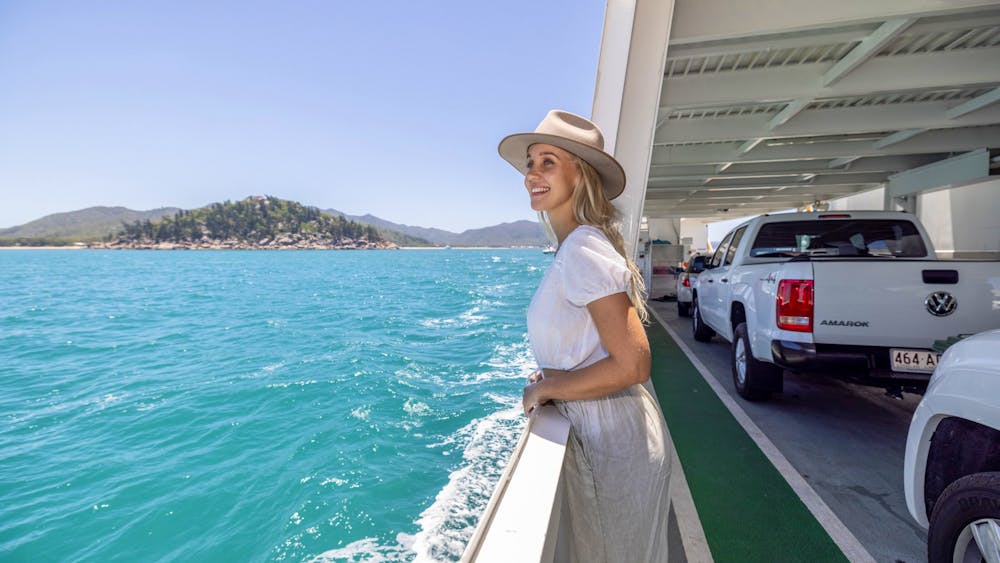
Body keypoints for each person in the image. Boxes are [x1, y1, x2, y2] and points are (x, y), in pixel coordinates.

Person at [498, 110, 672, 562]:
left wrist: (548, 387)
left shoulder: (581, 248)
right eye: (531, 163)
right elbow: (589, 344)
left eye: (548, 162)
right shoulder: (577, 246)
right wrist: (556, 370)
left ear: (582, 175)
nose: (532, 174)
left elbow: (634, 363)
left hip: (610, 445)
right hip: (604, 435)